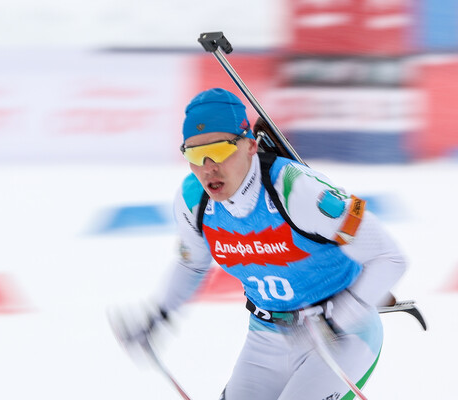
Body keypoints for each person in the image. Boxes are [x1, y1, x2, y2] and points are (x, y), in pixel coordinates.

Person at [112, 88, 407, 399]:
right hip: (267, 337)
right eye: (195, 155)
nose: (208, 167)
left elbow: (389, 257)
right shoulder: (192, 201)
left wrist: (338, 319)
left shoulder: (296, 190)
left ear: (250, 145)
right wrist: (157, 316)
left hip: (343, 338)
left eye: (220, 151)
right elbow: (191, 264)